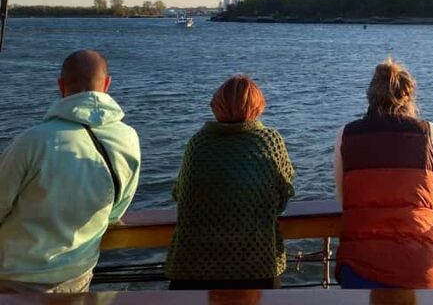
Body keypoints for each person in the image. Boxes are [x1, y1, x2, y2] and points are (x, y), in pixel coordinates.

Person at [0, 50, 141, 293]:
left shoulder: (32, 141)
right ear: (107, 84)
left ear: (61, 85)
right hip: (77, 276)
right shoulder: (128, 138)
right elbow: (116, 209)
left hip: (15, 278)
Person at [166, 75, 294, 290]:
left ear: (217, 105)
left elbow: (180, 194)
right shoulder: (268, 140)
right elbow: (282, 197)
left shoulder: (199, 143)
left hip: (194, 265)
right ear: (257, 106)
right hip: (256, 264)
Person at [333, 58, 433, 289]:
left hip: (360, 263)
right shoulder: (428, 133)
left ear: (370, 96)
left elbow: (344, 198)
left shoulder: (347, 134)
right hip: (417, 263)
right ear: (408, 96)